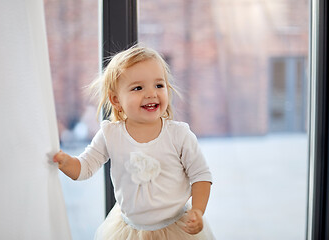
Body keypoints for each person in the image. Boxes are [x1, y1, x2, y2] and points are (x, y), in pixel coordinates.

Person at [53, 45, 215, 240]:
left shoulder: (179, 135)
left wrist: (198, 210)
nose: (151, 93)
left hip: (176, 228)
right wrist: (66, 163)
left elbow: (200, 175)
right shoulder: (110, 135)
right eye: (138, 88)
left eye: (159, 85)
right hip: (129, 231)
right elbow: (85, 167)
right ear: (116, 100)